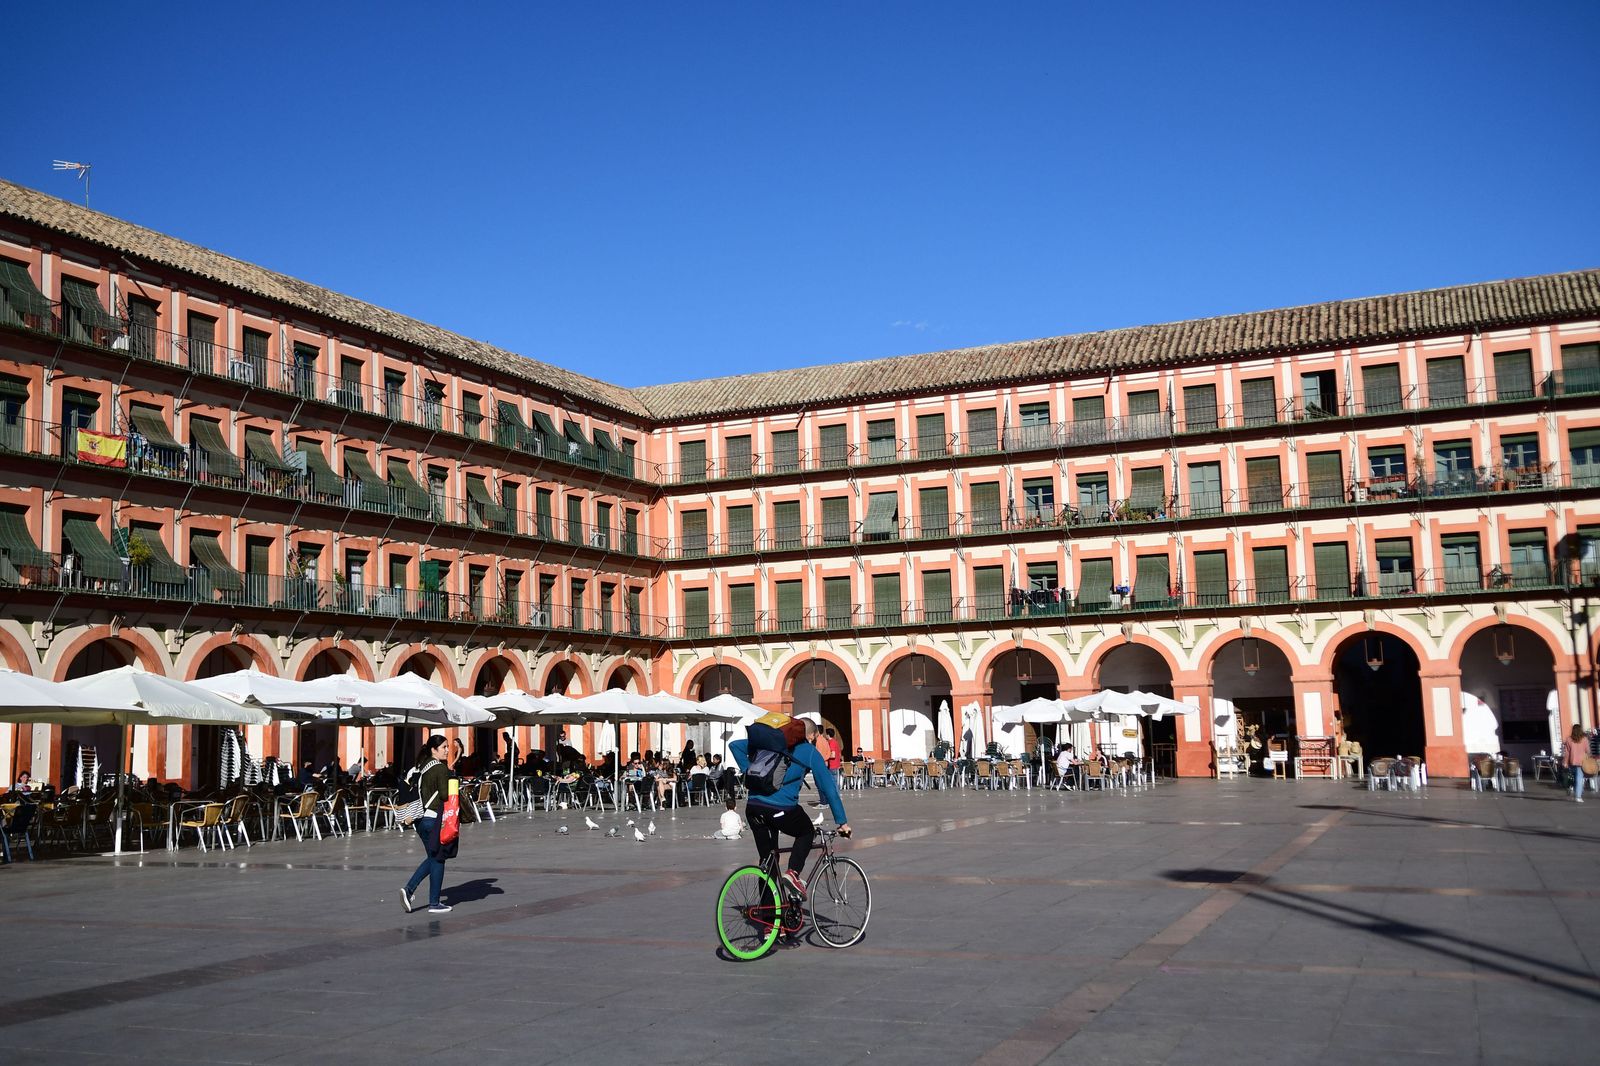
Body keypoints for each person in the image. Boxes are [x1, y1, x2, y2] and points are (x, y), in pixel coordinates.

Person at [730, 712, 850, 903]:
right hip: (780, 808)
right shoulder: (809, 751)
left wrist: (749, 772)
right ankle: (793, 873)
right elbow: (828, 787)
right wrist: (842, 822)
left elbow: (734, 745)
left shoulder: (768, 746)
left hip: (753, 807)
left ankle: (770, 923)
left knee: (768, 862)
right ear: (810, 736)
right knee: (806, 831)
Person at [402, 735, 455, 914]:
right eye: (444, 747)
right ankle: (426, 899)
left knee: (434, 857)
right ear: (434, 750)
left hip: (420, 820)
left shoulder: (423, 766)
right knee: (438, 858)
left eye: (448, 747)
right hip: (434, 819)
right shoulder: (440, 768)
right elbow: (444, 795)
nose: (447, 750)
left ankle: (417, 894)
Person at [1564, 723, 1591, 803]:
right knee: (1579, 779)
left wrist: (1565, 762)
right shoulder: (1584, 739)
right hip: (1581, 762)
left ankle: (1578, 792)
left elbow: (1567, 752)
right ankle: (1578, 796)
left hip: (1571, 762)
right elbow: (1588, 751)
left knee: (1575, 778)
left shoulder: (1569, 739)